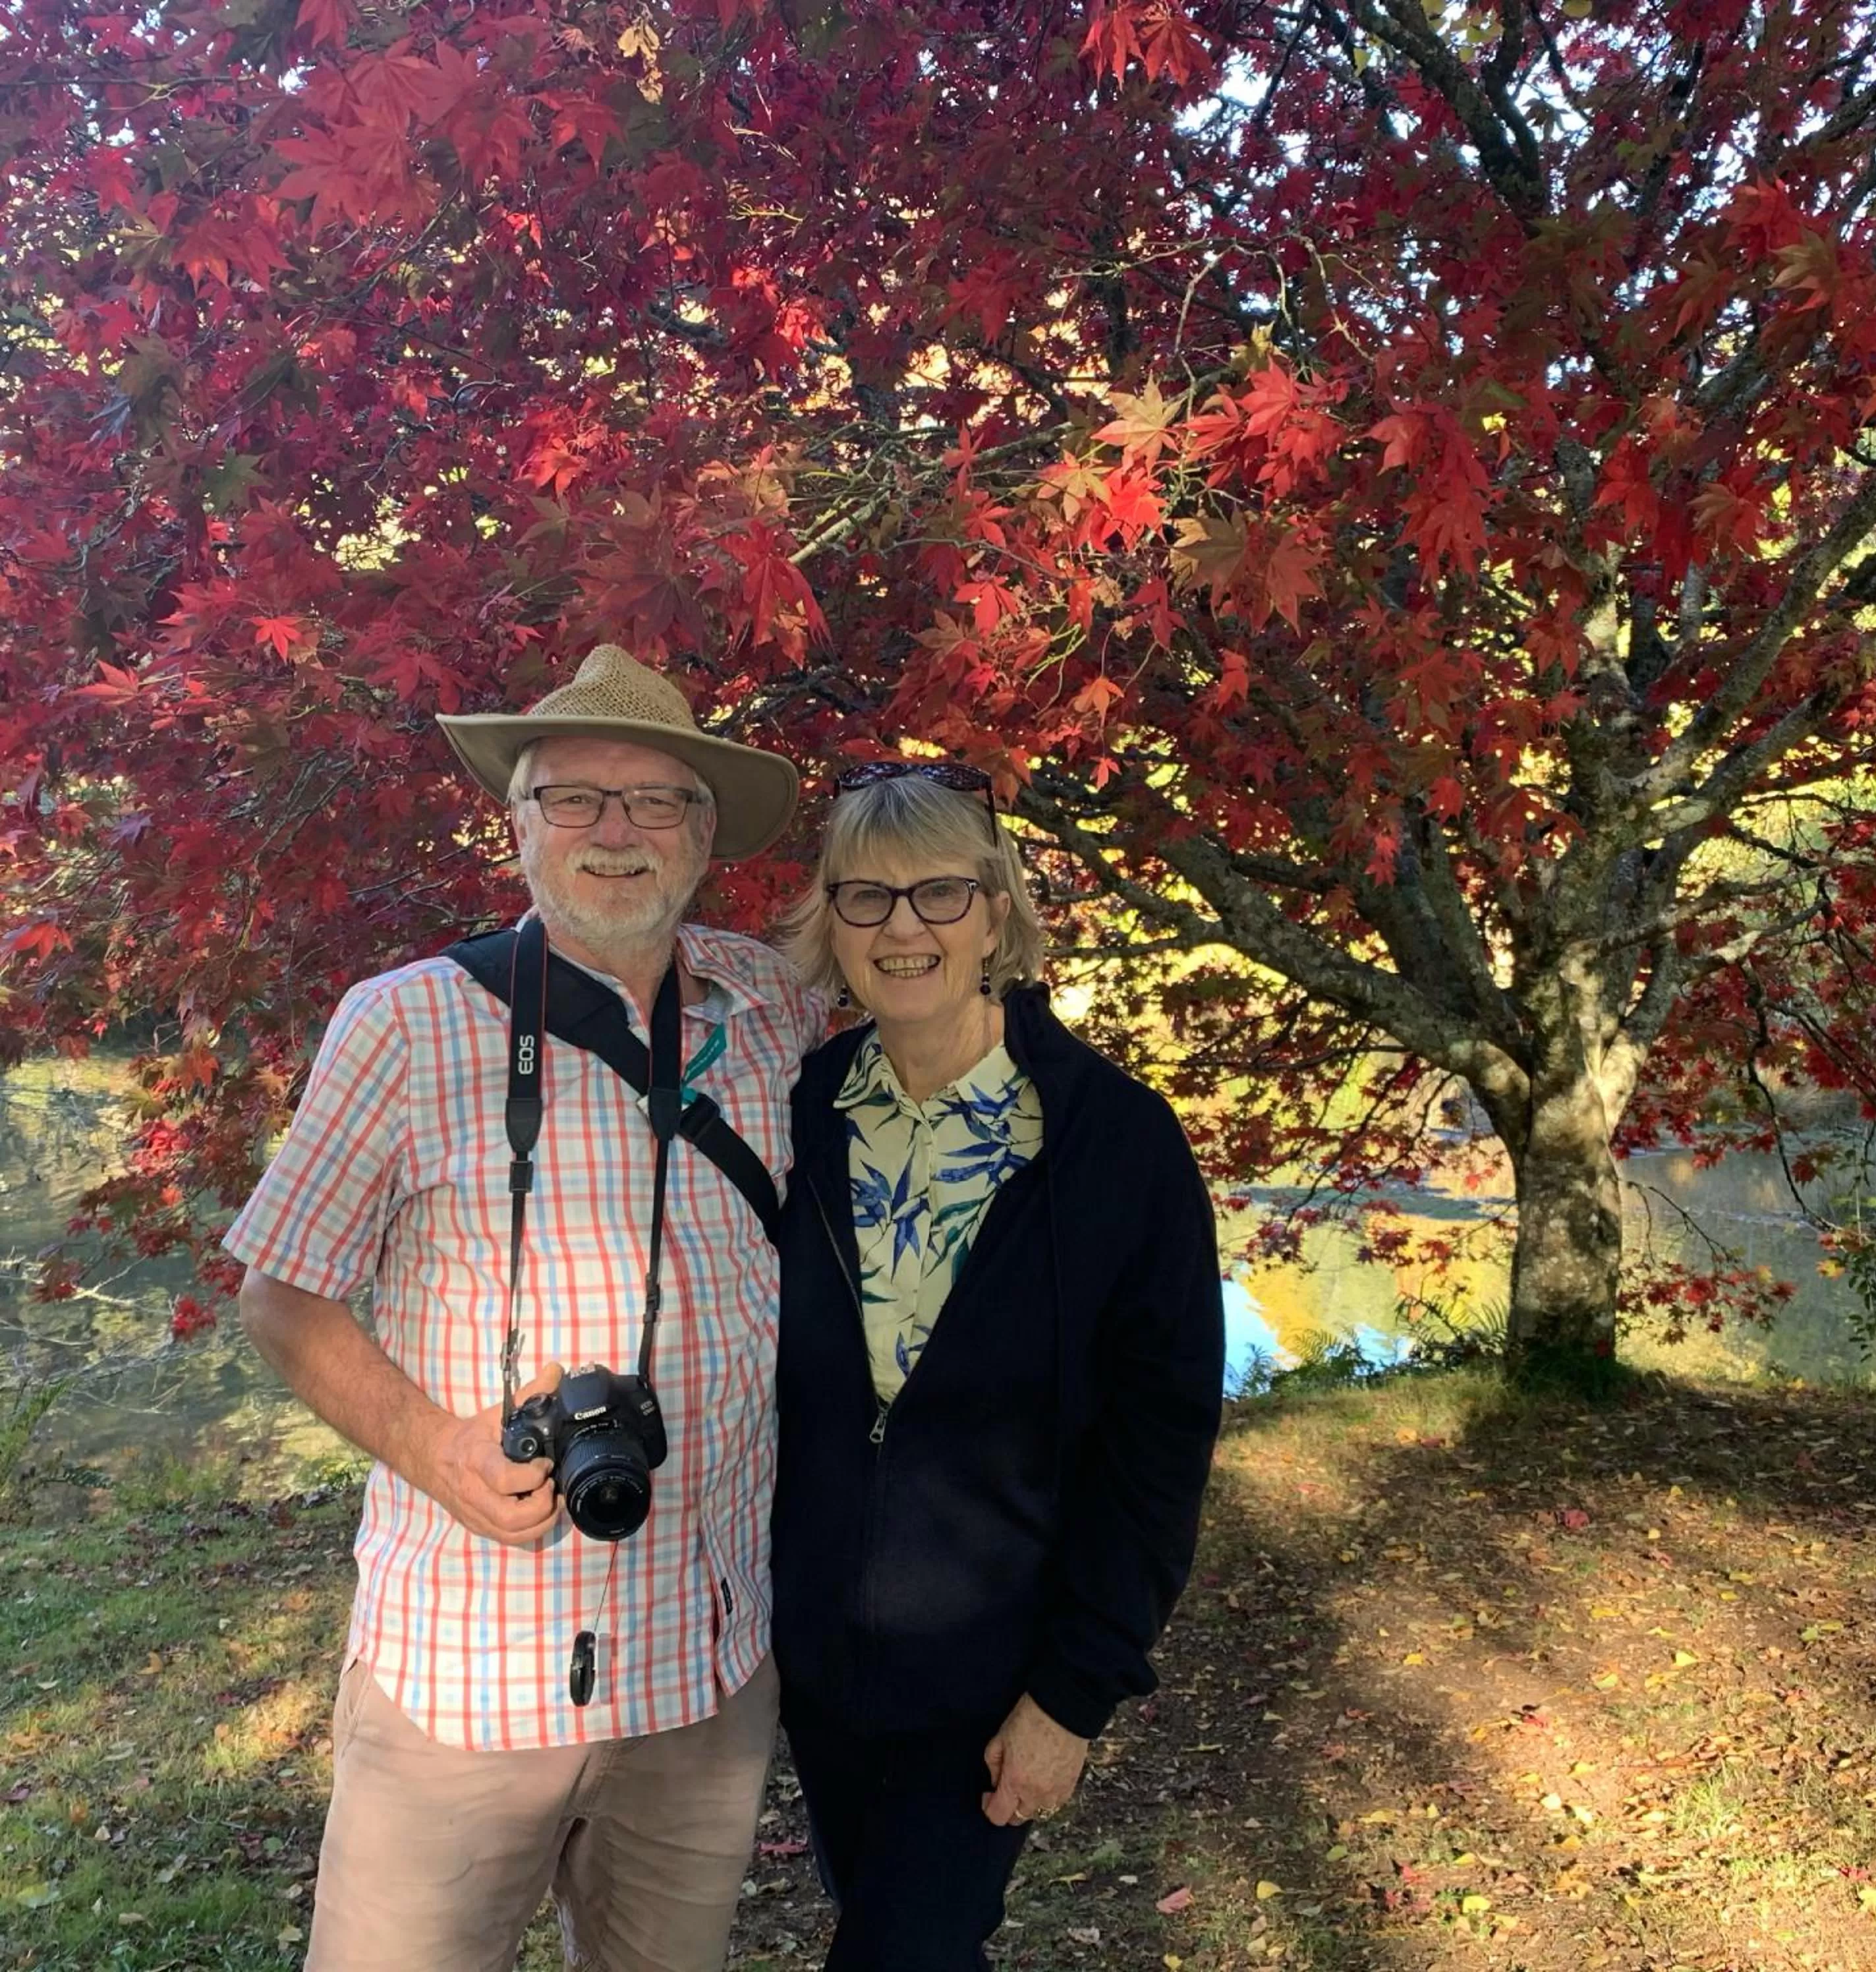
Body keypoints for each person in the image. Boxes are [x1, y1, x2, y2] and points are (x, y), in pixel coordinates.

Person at [227, 643, 824, 1972]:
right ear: (517, 826)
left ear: (706, 833)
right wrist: (435, 1445)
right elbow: (280, 1293)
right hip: (464, 1669)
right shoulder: (403, 1023)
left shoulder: (771, 1003)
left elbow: (931, 957)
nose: (618, 832)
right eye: (574, 798)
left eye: (657, 801)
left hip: (705, 1663)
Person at [772, 761, 1226, 1970]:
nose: (904, 927)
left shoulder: (1110, 1141)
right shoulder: (798, 1114)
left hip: (994, 1672)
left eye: (939, 892)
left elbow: (1161, 1441)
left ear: (998, 909)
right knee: (906, 1931)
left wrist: (1076, 1693)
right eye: (866, 898)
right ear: (831, 920)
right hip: (819, 1665)